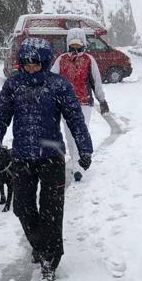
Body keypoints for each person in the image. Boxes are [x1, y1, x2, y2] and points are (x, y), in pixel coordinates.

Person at [0, 38, 93, 281]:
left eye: (35, 64)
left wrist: (84, 149)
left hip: (52, 157)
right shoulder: (13, 85)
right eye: (26, 63)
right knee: (22, 206)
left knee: (51, 211)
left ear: (44, 63)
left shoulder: (58, 86)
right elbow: (0, 117)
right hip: (22, 156)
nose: (30, 67)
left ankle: (50, 258)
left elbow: (75, 119)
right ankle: (39, 243)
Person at [51, 27, 109, 182]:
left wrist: (101, 100)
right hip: (65, 104)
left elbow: (96, 81)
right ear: (68, 44)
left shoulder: (89, 60)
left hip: (84, 103)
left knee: (81, 132)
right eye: (73, 45)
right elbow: (51, 80)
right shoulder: (61, 59)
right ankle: (77, 163)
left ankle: (78, 167)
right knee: (70, 135)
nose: (75, 48)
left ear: (83, 44)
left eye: (78, 45)